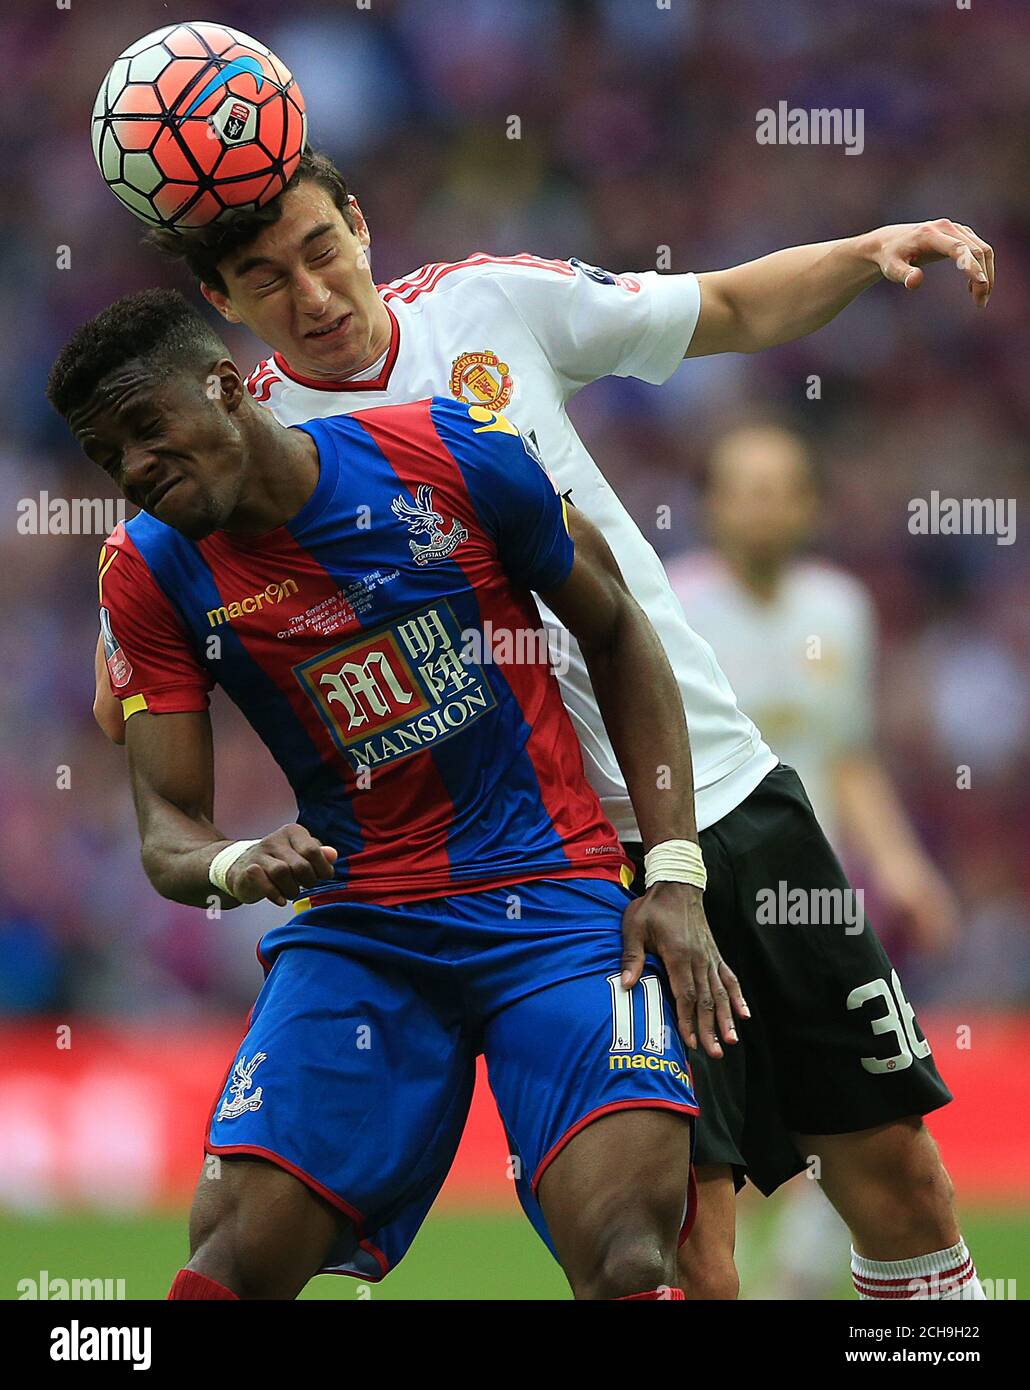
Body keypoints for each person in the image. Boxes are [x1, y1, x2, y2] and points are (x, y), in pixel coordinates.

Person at [90, 150, 993, 1299]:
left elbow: (718, 303)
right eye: (266, 280)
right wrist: (118, 634)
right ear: (222, 308)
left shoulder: (487, 303)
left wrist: (863, 253)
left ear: (361, 225)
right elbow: (152, 625)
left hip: (719, 791)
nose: (311, 295)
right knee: (681, 1248)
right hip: (559, 868)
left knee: (896, 1177)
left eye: (322, 249)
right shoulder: (238, 457)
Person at [51, 288, 751, 1300]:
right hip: (362, 926)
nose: (135, 469)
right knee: (228, 1264)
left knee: (633, 1259)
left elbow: (620, 632)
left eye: (147, 427)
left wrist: (675, 872)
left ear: (223, 384)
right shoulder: (148, 574)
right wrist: (239, 861)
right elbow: (165, 830)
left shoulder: (450, 454)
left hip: (552, 902)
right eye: (107, 455)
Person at [667, 422, 962, 1299]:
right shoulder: (670, 604)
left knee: (853, 1120)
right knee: (727, 1132)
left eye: (780, 487)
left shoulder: (840, 608)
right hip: (709, 908)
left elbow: (848, 757)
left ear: (809, 505)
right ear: (712, 504)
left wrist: (904, 864)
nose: (762, 505)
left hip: (817, 902)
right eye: (743, 487)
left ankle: (802, 1283)